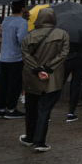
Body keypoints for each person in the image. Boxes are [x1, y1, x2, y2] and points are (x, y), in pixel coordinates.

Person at [19, 8, 69, 152]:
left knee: (31, 108)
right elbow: (63, 54)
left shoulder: (29, 36)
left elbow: (25, 55)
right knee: (44, 110)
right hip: (52, 78)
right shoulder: (63, 34)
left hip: (32, 77)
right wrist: (47, 68)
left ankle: (29, 137)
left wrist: (37, 69)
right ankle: (40, 142)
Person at [0, 0, 28, 119]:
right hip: (16, 57)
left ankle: (0, 109)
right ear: (23, 8)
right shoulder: (22, 22)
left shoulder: (6, 20)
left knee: (3, 84)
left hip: (4, 56)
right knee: (14, 84)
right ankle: (11, 109)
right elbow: (22, 40)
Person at [64, 41, 82, 122]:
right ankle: (71, 112)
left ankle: (47, 112)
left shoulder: (65, 30)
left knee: (59, 84)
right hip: (80, 58)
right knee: (76, 85)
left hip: (66, 58)